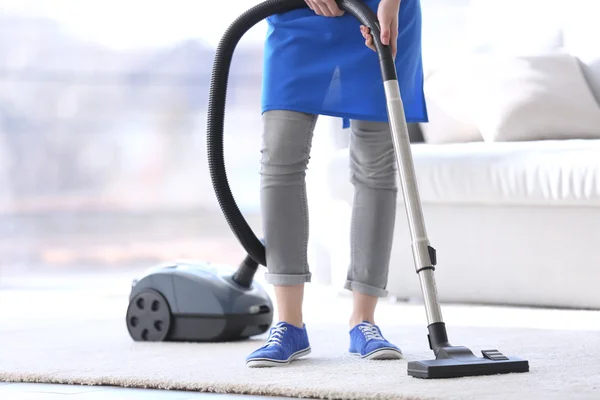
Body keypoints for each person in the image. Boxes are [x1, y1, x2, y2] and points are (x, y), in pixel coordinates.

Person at [246, 0, 428, 367]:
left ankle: (364, 320)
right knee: (280, 157)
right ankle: (288, 322)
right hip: (298, 14)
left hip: (381, 12)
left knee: (376, 167)